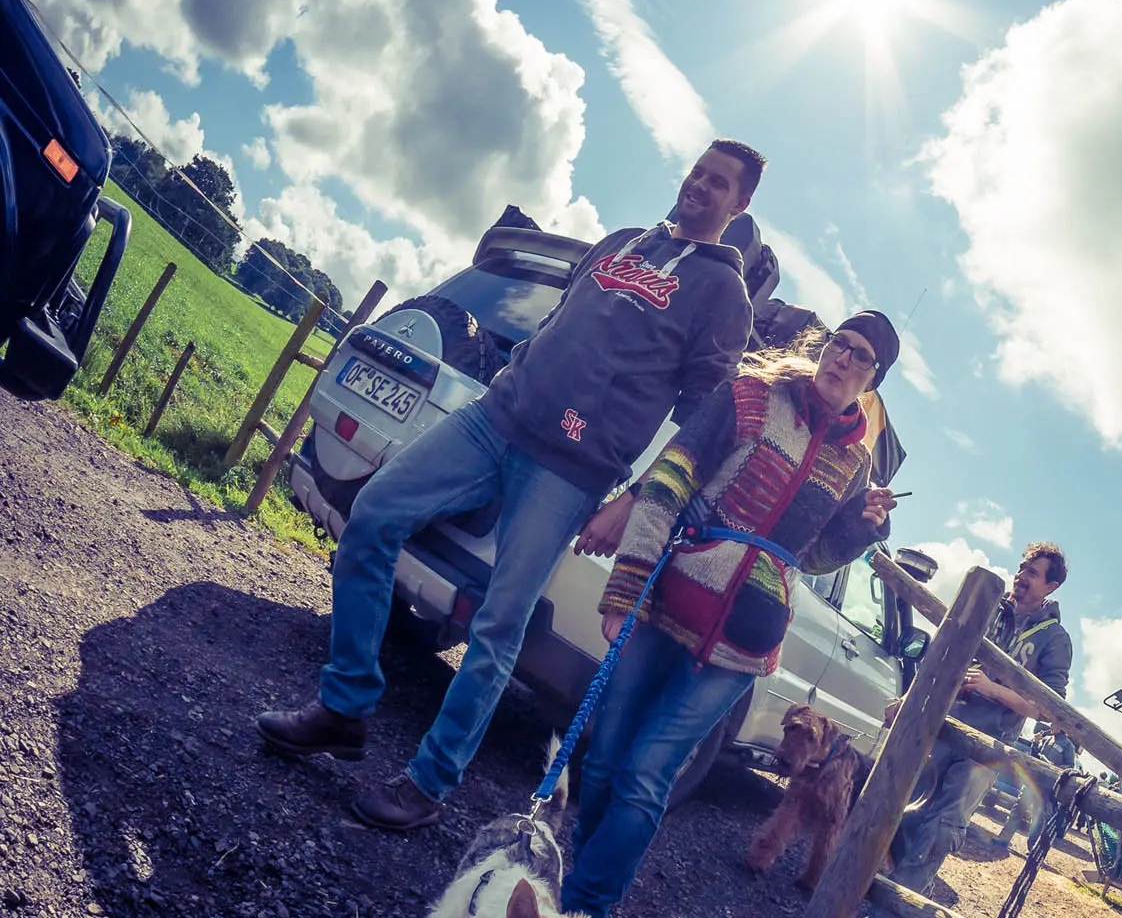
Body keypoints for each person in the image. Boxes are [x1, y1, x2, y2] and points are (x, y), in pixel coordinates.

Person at [256, 140, 768, 833]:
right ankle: (344, 707)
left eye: (719, 184)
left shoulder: (722, 293)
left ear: (739, 205)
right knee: (374, 514)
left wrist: (634, 501)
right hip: (495, 418)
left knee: (499, 624)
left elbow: (703, 422)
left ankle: (428, 783)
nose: (700, 186)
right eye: (698, 172)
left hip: (569, 468)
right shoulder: (622, 242)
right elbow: (559, 324)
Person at [557, 312, 901, 918]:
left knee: (647, 772)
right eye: (839, 344)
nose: (843, 359)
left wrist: (857, 529)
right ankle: (577, 891)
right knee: (606, 756)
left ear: (873, 382)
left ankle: (581, 916)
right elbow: (667, 482)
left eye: (861, 357)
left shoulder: (855, 465)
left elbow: (813, 556)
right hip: (665, 600)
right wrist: (627, 583)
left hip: (744, 642)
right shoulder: (750, 396)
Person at [847, 543, 1071, 918]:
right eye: (1022, 568)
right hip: (944, 724)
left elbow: (1048, 709)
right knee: (904, 804)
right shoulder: (988, 608)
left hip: (989, 748)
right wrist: (909, 700)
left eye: (1033, 573)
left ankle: (885, 916)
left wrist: (993, 689)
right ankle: (869, 885)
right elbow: (942, 655)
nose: (1022, 576)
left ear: (1051, 587)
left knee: (943, 825)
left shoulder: (1055, 639)